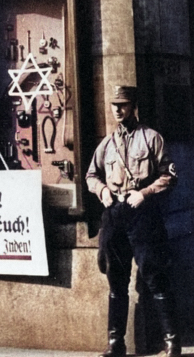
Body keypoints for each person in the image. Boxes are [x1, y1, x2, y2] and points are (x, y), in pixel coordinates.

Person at [86, 86, 181, 357]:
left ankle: (172, 342)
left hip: (143, 212)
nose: (118, 109)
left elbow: (170, 175)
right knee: (116, 280)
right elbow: (91, 175)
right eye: (115, 104)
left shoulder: (151, 138)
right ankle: (116, 344)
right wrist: (102, 191)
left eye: (124, 104)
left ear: (133, 106)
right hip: (115, 213)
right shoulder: (106, 144)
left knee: (155, 277)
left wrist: (145, 192)